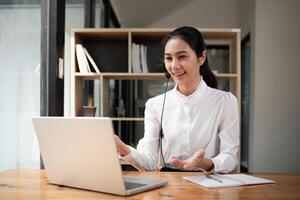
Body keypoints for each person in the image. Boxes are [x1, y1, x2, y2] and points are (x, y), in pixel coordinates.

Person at [115, 26, 239, 173]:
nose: (174, 66)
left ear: (202, 57)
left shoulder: (225, 102)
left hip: (208, 183)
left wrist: (205, 163)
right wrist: (121, 146)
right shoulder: (155, 105)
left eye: (182, 56)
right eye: (168, 58)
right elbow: (149, 161)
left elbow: (230, 156)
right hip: (168, 186)